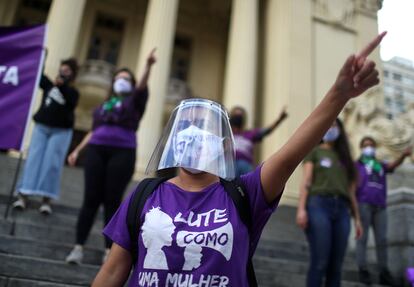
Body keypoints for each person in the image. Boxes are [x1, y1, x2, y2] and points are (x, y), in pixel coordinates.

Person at [91, 32, 385, 287]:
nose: (194, 134)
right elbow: (114, 269)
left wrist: (338, 95)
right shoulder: (145, 194)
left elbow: (290, 154)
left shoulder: (245, 194)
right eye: (187, 126)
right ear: (174, 138)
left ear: (221, 145)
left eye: (204, 128)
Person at [64, 48, 156, 265]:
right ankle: (78, 247)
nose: (121, 81)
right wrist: (77, 150)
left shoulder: (134, 102)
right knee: (90, 199)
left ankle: (108, 251)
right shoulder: (104, 106)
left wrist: (148, 67)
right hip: (96, 149)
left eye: (125, 79)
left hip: (123, 151)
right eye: (118, 78)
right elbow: (94, 130)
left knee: (112, 201)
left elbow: (141, 87)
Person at [296, 118, 363, 287]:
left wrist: (358, 219)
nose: (331, 128)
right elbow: (307, 181)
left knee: (336, 267)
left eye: (334, 125)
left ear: (340, 130)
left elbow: (351, 192)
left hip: (342, 210)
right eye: (328, 125)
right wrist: (301, 209)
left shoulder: (346, 159)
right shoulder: (315, 151)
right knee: (320, 262)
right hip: (319, 205)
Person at [12, 57, 80, 215]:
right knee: (33, 160)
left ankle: (46, 200)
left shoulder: (73, 92)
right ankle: (23, 196)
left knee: (52, 164)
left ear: (73, 74)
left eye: (67, 71)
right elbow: (39, 75)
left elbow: (71, 103)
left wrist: (62, 87)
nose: (63, 73)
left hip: (61, 131)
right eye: (61, 69)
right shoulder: (50, 85)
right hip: (42, 127)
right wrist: (41, 56)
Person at [355, 136, 411, 286]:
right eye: (366, 145)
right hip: (363, 204)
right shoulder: (357, 164)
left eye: (371, 145)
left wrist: (403, 156)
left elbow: (392, 166)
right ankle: (362, 269)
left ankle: (384, 272)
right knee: (362, 238)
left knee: (382, 240)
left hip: (380, 206)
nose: (369, 148)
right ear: (361, 148)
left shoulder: (379, 165)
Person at [230, 106, 288, 176]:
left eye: (239, 116)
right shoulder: (226, 134)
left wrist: (279, 120)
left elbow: (267, 131)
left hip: (245, 166)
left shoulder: (250, 134)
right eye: (236, 116)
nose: (237, 118)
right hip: (229, 165)